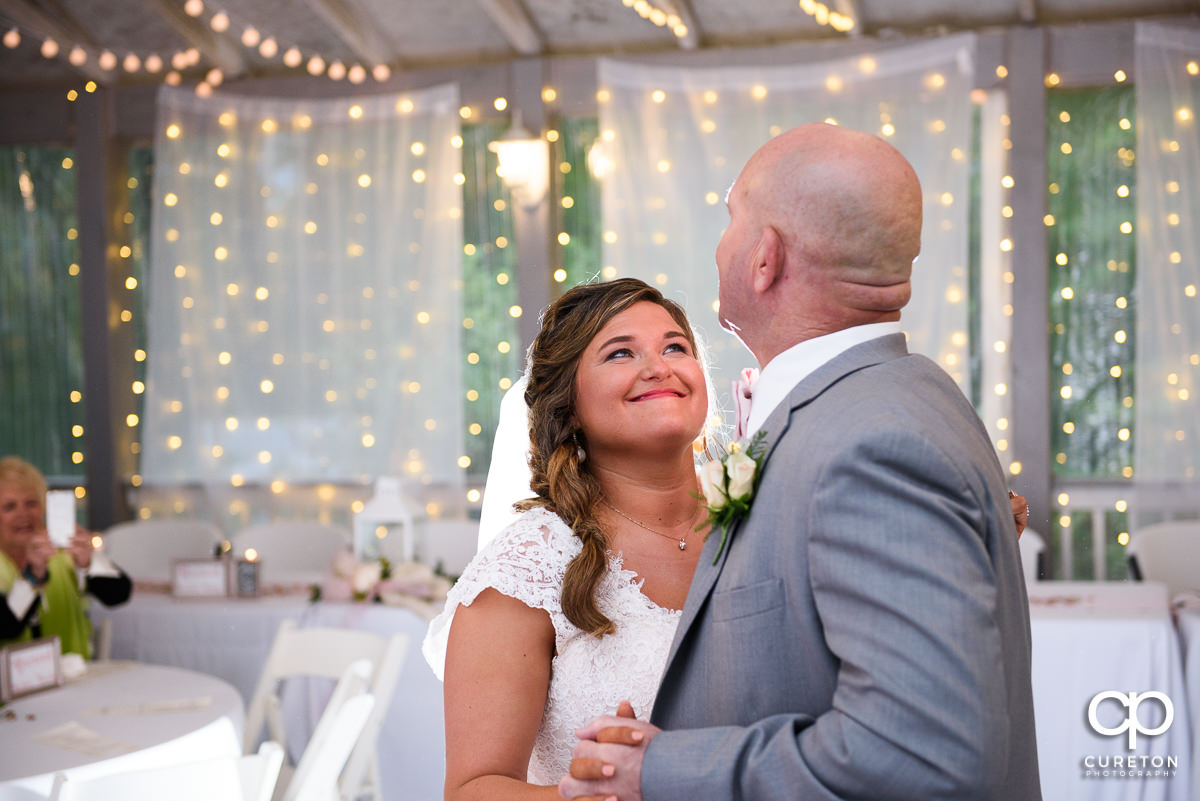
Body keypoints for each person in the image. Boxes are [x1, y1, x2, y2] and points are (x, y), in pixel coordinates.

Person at [559, 123, 1041, 801]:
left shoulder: (871, 444)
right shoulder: (902, 394)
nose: (720, 242)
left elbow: (922, 755)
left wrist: (663, 770)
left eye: (732, 219)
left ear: (765, 259)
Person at [0, 456, 131, 658]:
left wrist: (90, 562)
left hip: (73, 675)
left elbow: (119, 594)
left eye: (31, 503)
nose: (23, 514)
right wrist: (33, 575)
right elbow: (6, 627)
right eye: (9, 507)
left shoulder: (62, 551)